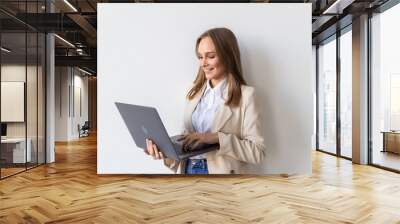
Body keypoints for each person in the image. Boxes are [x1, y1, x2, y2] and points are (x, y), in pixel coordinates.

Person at [145, 27, 266, 174]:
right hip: (187, 172)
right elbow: (186, 143)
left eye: (210, 56)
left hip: (221, 179)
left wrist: (217, 138)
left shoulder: (246, 96)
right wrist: (165, 153)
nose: (203, 63)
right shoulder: (193, 93)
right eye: (200, 57)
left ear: (228, 56)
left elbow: (257, 152)